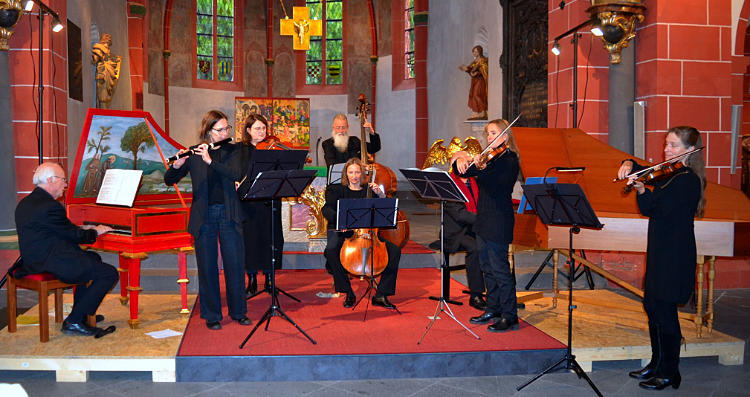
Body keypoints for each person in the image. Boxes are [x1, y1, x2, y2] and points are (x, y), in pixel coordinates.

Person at [617, 126, 705, 391]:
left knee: (665, 313)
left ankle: (670, 372)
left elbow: (658, 209)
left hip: (675, 255)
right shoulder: (670, 173)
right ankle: (656, 364)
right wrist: (628, 163)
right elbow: (645, 171)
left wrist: (643, 190)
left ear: (690, 151)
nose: (667, 150)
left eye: (674, 146)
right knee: (652, 307)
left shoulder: (688, 180)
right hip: (659, 250)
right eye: (667, 144)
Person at [164, 110, 251, 330]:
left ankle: (238, 311)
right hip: (204, 216)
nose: (225, 132)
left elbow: (235, 173)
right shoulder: (194, 153)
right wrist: (176, 165)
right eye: (220, 129)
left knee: (235, 263)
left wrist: (210, 161)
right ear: (208, 131)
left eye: (227, 128)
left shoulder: (235, 150)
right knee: (207, 266)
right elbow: (169, 180)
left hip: (229, 213)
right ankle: (212, 314)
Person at [14, 162, 119, 337]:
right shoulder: (50, 206)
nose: (65, 184)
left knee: (93, 259)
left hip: (36, 258)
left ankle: (82, 313)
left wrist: (83, 229)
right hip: (50, 262)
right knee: (109, 273)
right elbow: (73, 235)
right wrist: (95, 231)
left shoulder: (27, 202)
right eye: (63, 180)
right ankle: (75, 321)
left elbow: (58, 229)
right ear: (50, 180)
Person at [453, 119, 520, 332]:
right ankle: (493, 308)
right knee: (487, 268)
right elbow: (462, 172)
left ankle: (510, 316)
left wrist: (478, 164)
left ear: (505, 136)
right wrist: (459, 157)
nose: (489, 138)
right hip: (483, 220)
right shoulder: (489, 159)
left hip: (499, 221)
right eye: (488, 134)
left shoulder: (509, 160)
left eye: (493, 133)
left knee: (500, 269)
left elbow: (494, 184)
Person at [322, 158, 401, 309]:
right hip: (344, 232)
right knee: (332, 251)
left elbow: (387, 210)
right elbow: (327, 209)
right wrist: (340, 220)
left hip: (369, 234)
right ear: (346, 173)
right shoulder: (336, 190)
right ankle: (348, 291)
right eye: (351, 172)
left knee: (395, 251)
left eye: (357, 172)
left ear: (363, 173)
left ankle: (381, 294)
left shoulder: (370, 190)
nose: (354, 176)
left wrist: (381, 194)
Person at [238, 114, 283, 296]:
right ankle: (252, 279)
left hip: (269, 202)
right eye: (257, 128)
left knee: (271, 240)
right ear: (248, 130)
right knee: (251, 241)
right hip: (249, 203)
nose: (262, 132)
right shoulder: (241, 151)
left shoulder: (272, 149)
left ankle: (270, 279)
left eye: (264, 128)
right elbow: (239, 173)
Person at [442, 168, 486, 311]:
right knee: (476, 248)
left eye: (469, 162)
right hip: (456, 233)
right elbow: (460, 214)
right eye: (463, 162)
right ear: (455, 165)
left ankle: (496, 292)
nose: (467, 165)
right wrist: (484, 220)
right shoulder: (449, 185)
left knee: (494, 243)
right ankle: (476, 295)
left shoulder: (476, 181)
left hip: (474, 229)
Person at [459, 45, 488, 120]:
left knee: (478, 95)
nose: (474, 53)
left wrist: (476, 73)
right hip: (475, 81)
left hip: (481, 81)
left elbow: (485, 71)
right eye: (473, 51)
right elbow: (471, 70)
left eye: (475, 51)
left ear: (479, 52)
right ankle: (476, 112)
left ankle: (483, 112)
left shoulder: (484, 60)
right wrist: (466, 69)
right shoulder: (474, 62)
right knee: (473, 95)